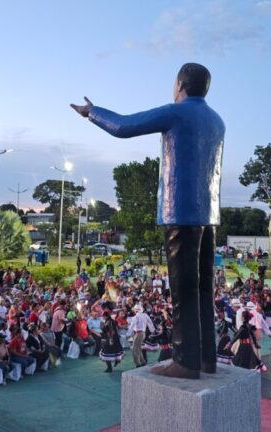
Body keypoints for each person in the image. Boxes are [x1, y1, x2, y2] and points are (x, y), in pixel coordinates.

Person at [73, 63, 224, 379]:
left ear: (180, 85)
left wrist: (92, 112)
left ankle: (185, 361)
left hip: (180, 212)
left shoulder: (175, 112)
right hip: (208, 215)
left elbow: (124, 126)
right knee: (203, 289)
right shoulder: (217, 120)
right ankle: (206, 358)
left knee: (182, 290)